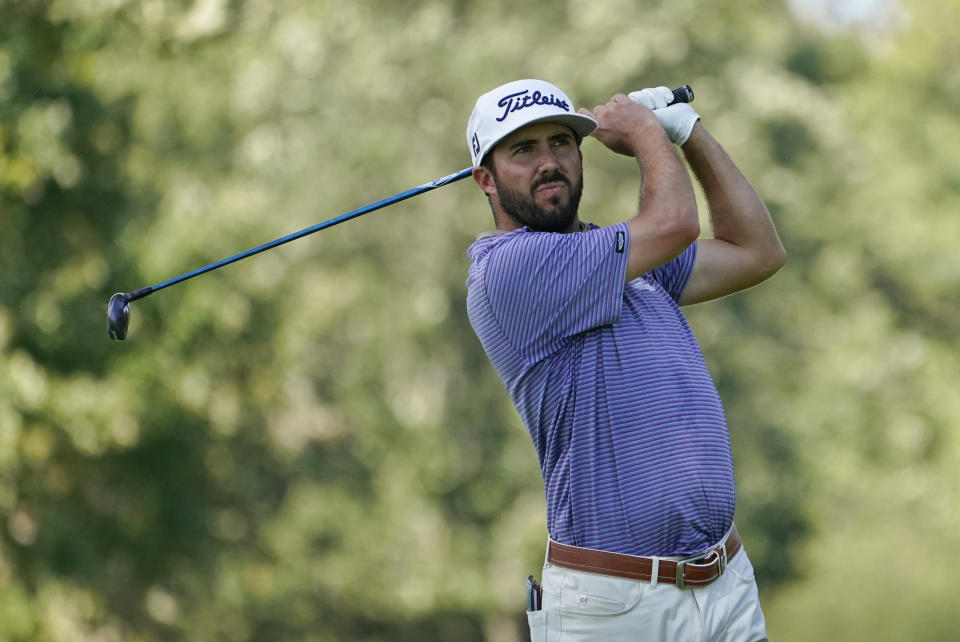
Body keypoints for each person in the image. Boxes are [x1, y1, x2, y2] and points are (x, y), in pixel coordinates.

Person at [464, 79, 786, 641]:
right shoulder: (506, 272)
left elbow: (756, 252)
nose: (550, 162)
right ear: (485, 179)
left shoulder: (621, 262)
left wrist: (687, 132)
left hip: (725, 585)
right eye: (524, 149)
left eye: (562, 142)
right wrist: (644, 133)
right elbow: (675, 224)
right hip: (615, 607)